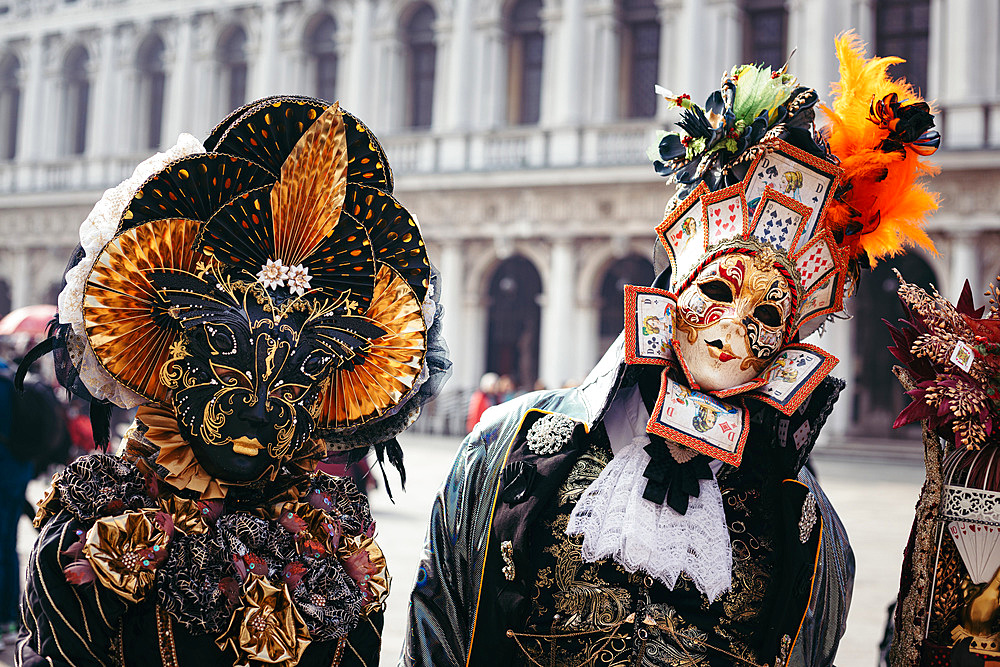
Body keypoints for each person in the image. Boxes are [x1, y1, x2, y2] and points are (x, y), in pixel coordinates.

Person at [402, 34, 940, 667]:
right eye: (717, 290)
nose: (734, 328)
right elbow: (438, 632)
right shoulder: (502, 450)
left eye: (769, 313)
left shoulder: (812, 537)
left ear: (793, 348)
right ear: (669, 287)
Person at [15, 95, 450, 666]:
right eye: (226, 354)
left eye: (304, 371)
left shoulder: (339, 559)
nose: (261, 408)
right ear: (169, 355)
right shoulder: (98, 538)